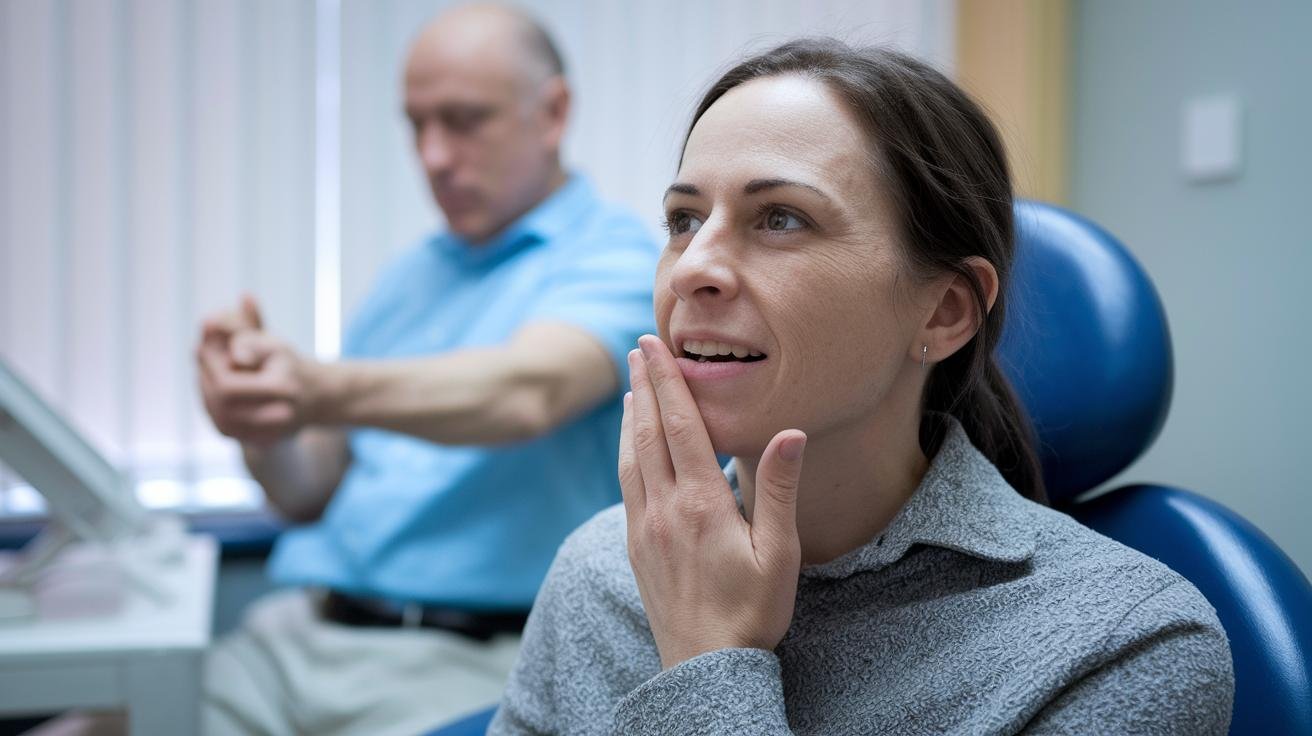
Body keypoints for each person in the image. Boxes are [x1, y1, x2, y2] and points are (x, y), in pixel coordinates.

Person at [490, 39, 1234, 735]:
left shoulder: (1129, 642)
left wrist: (707, 658)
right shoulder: (599, 572)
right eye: (684, 219)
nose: (689, 269)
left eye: (780, 218)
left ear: (944, 311)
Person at [195, 5, 657, 735]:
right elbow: (306, 491)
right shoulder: (409, 275)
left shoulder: (621, 258)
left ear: (554, 112)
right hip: (298, 635)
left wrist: (314, 388)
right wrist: (261, 416)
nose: (434, 156)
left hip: (467, 665)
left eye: (464, 120)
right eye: (416, 125)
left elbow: (526, 393)